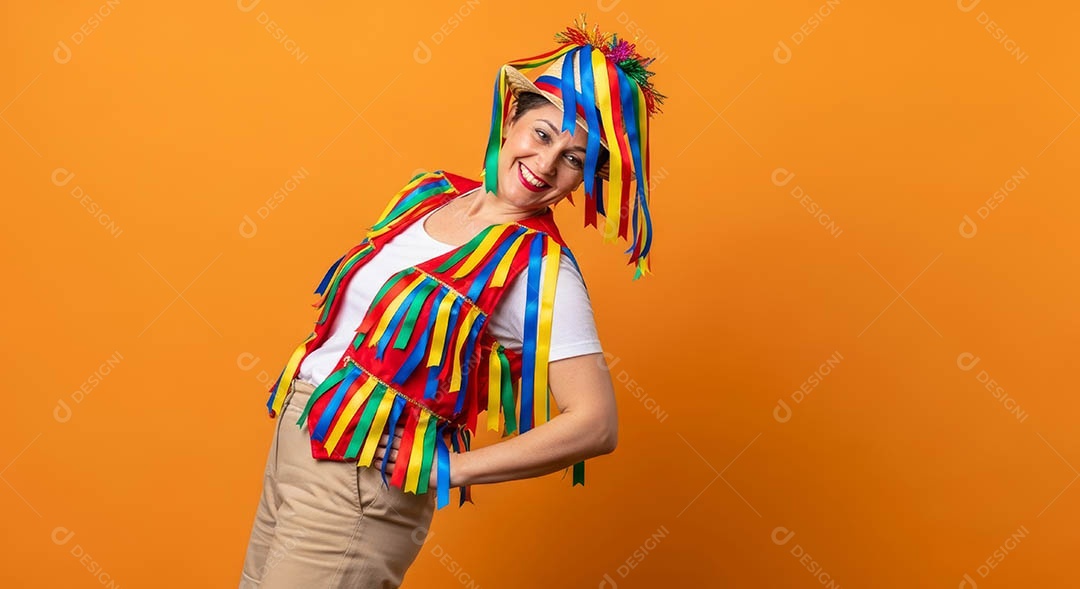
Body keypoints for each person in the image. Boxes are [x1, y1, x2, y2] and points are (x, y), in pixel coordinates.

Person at [240, 14, 665, 588]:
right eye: (544, 135)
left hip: (358, 481)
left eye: (574, 158)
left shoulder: (541, 267)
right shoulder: (430, 194)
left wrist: (452, 468)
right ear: (512, 119)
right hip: (295, 443)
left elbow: (596, 424)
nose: (546, 165)